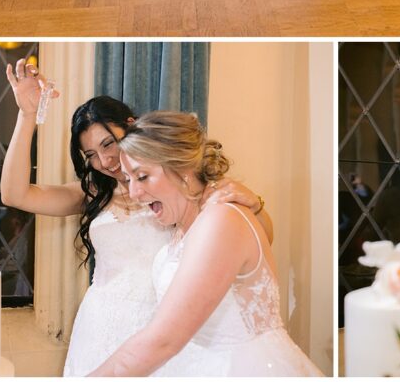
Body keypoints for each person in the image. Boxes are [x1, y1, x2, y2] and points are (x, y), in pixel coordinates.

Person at [1, 59, 271, 377]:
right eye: (90, 155)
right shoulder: (91, 193)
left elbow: (258, 238)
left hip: (163, 322)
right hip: (99, 326)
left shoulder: (180, 186)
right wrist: (27, 114)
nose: (104, 160)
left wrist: (255, 203)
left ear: (130, 126)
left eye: (108, 144)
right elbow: (14, 195)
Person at [89, 111, 322, 377]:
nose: (134, 193)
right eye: (129, 180)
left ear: (182, 169)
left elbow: (164, 339)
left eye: (142, 177)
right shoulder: (181, 227)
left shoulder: (221, 218)